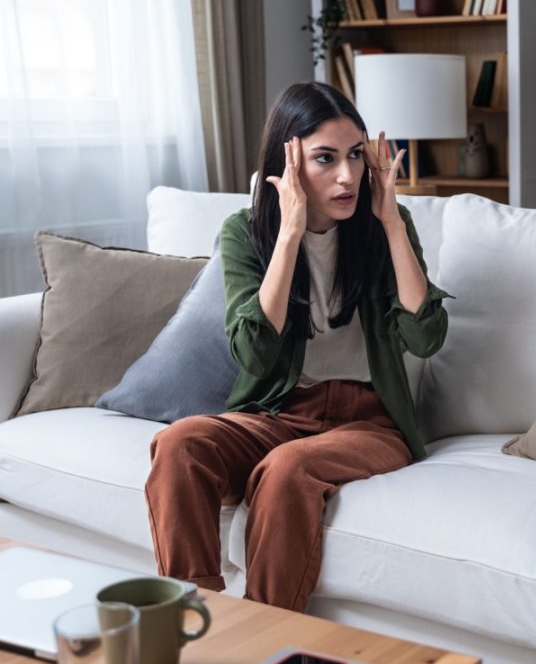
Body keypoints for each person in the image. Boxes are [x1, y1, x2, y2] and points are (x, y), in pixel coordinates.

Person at [144, 82, 449, 612]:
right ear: (288, 163)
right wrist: (288, 236)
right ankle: (194, 624)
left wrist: (392, 223)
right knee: (179, 445)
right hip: (278, 411)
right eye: (325, 159)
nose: (348, 175)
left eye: (356, 156)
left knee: (286, 469)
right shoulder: (247, 233)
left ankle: (270, 635)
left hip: (369, 423)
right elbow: (256, 357)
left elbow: (426, 338)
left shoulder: (382, 231)